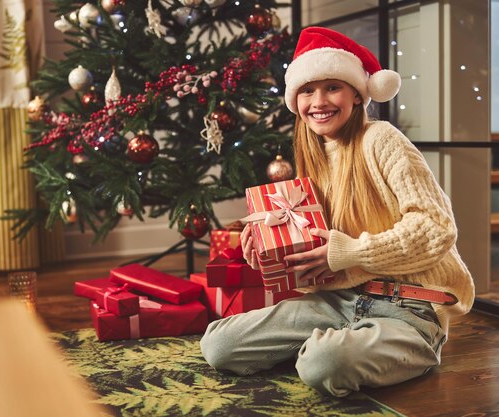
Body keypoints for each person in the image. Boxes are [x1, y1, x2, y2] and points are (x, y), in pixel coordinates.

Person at [200, 27, 475, 397]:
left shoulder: (383, 140)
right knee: (219, 345)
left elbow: (436, 229)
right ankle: (342, 347)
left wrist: (348, 252)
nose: (319, 101)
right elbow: (320, 266)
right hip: (338, 301)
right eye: (308, 91)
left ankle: (410, 349)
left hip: (409, 305)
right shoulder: (311, 157)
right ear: (295, 100)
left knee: (322, 364)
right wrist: (270, 257)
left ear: (357, 95)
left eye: (333, 87)